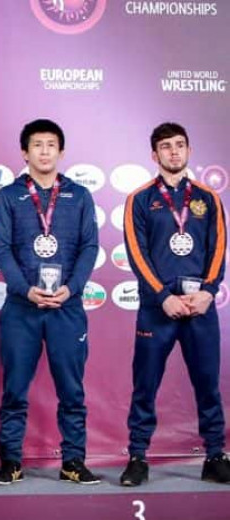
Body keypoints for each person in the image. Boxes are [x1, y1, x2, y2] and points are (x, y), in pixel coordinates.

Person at [0, 119, 99, 485]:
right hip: (22, 308)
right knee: (14, 390)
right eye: (37, 145)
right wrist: (26, 290)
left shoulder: (79, 195)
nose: (45, 151)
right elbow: (2, 248)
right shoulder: (9, 195)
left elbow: (89, 247)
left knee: (72, 392)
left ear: (61, 152)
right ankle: (10, 462)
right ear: (25, 152)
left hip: (67, 307)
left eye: (51, 144)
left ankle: (73, 462)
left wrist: (72, 288)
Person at [120, 122, 229, 486]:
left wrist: (208, 291)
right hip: (158, 309)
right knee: (145, 385)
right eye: (166, 146)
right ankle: (137, 457)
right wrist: (163, 296)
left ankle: (215, 455)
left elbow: (218, 247)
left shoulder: (208, 198)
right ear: (155, 155)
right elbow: (137, 253)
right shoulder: (139, 199)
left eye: (180, 145)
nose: (174, 151)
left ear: (189, 150)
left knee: (208, 384)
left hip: (200, 308)